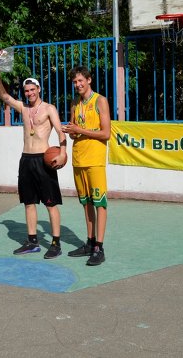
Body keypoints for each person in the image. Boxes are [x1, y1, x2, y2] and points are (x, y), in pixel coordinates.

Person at [0, 70, 67, 259]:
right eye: (26, 91)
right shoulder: (23, 108)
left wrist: (63, 153)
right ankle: (32, 241)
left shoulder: (49, 108)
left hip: (44, 159)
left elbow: (60, 132)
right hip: (26, 159)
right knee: (29, 203)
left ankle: (56, 243)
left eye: (32, 90)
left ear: (39, 89)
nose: (30, 93)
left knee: (50, 204)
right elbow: (3, 95)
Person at [61, 66, 111, 266]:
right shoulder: (74, 103)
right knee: (86, 203)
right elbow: (75, 130)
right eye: (75, 82)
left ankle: (99, 247)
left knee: (100, 203)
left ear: (89, 80)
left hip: (95, 160)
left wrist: (80, 129)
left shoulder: (100, 101)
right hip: (78, 159)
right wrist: (71, 132)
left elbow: (106, 133)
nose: (78, 85)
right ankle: (90, 243)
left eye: (81, 80)